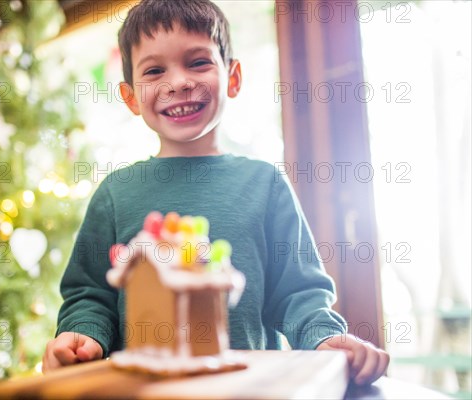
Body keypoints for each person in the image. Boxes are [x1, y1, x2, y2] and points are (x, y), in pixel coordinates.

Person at [42, 0, 389, 385]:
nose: (179, 82)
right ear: (131, 97)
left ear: (233, 77)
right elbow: (90, 295)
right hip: (144, 391)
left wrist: (325, 337)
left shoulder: (266, 185)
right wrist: (82, 335)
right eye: (155, 70)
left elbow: (299, 294)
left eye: (198, 62)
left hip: (250, 390)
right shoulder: (114, 192)